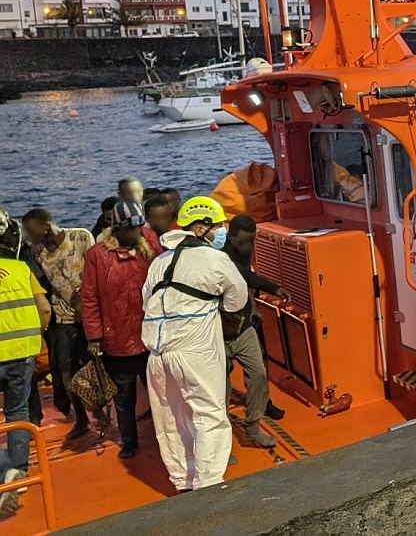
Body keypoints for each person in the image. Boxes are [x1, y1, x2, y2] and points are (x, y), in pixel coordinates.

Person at [142, 197, 247, 491]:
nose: (222, 231)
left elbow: (145, 302)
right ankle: (209, 485)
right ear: (201, 229)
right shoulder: (216, 259)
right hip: (195, 350)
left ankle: (183, 481)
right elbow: (237, 299)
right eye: (218, 226)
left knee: (171, 418)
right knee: (209, 414)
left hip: (156, 354)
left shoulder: (159, 262)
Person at [81, 200, 158, 459]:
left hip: (151, 335)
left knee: (159, 389)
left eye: (139, 228)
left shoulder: (149, 243)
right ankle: (129, 440)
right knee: (124, 396)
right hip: (118, 340)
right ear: (117, 230)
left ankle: (164, 434)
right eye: (131, 229)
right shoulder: (97, 255)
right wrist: (95, 336)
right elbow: (89, 297)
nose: (136, 234)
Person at [21, 208, 95, 439]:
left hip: (89, 313)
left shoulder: (81, 237)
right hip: (63, 315)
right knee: (65, 368)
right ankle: (81, 418)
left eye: (31, 231)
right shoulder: (37, 251)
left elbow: (96, 270)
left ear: (46, 226)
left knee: (96, 364)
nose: (29, 237)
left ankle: (101, 408)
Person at [0, 212, 51, 517]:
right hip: (22, 354)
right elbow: (44, 308)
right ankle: (18, 472)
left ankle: (4, 469)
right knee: (18, 411)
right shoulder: (20, 268)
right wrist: (37, 335)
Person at [222, 215, 288, 447]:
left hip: (243, 325)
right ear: (230, 238)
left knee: (258, 373)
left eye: (252, 241)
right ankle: (221, 436)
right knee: (221, 384)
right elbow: (244, 276)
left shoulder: (243, 248)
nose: (248, 247)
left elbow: (247, 277)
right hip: (219, 329)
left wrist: (268, 293)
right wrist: (273, 287)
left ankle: (253, 425)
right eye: (242, 242)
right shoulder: (221, 255)